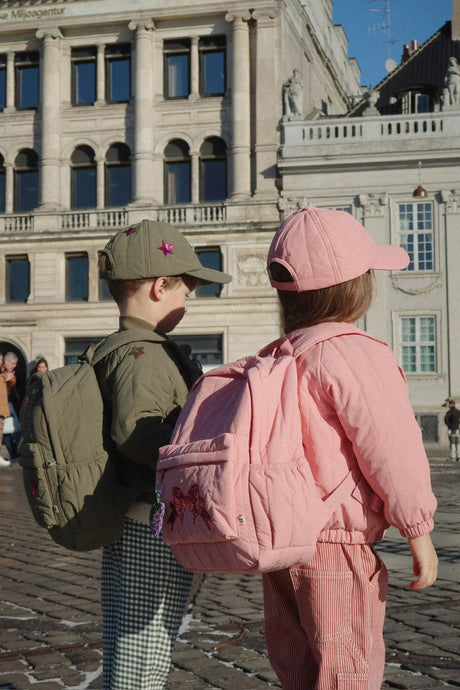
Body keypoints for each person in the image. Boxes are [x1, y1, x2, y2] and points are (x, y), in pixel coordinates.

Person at [262, 207, 438, 690]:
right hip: (337, 544)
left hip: (282, 542)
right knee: (347, 670)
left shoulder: (279, 354)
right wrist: (418, 529)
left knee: (299, 669)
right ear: (355, 287)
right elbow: (391, 448)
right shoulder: (354, 351)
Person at [97, 219, 231, 690]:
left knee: (139, 651)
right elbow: (135, 432)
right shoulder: (145, 354)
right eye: (185, 291)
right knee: (141, 659)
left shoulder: (134, 348)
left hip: (141, 522)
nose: (188, 302)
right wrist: (198, 452)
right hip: (147, 526)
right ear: (159, 287)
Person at [0, 352, 18, 467]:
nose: (2, 362)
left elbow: (12, 382)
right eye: (13, 363)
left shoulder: (4, 372)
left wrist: (10, 379)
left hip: (2, 409)